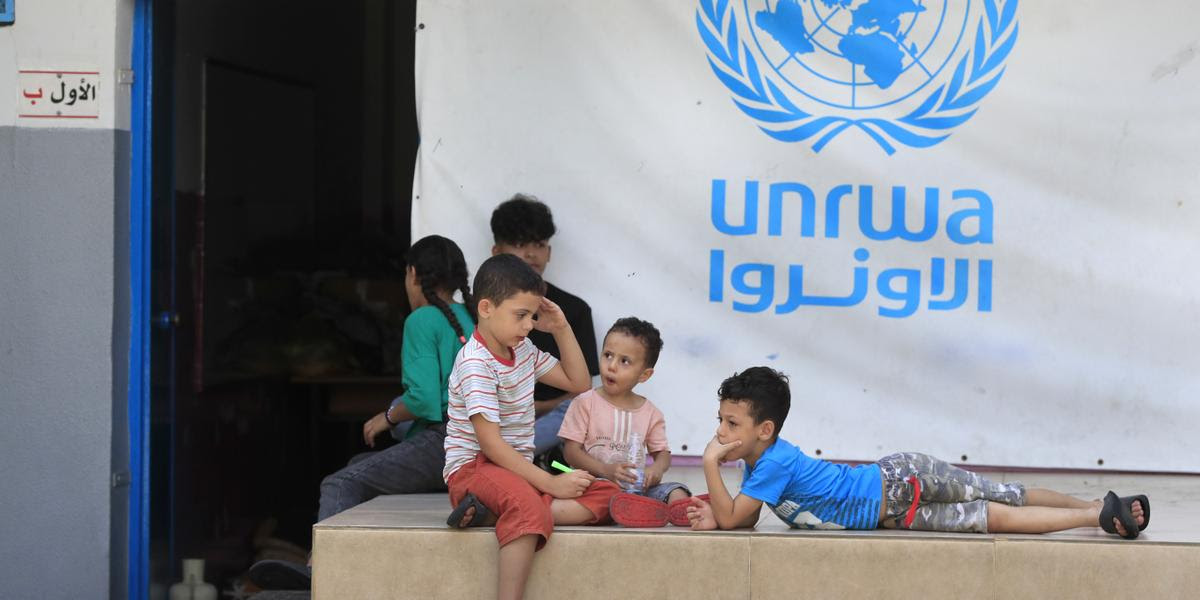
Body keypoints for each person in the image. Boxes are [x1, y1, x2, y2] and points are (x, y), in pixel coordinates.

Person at [685, 367, 1151, 540]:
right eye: (720, 420)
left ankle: (1095, 506)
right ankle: (1100, 515)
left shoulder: (775, 461)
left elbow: (731, 520)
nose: (721, 432)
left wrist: (708, 464)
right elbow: (741, 519)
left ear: (765, 430)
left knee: (1007, 495)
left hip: (902, 479)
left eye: (731, 424)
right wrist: (715, 512)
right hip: (897, 516)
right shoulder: (758, 463)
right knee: (998, 519)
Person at [248, 235, 474, 591]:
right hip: (473, 446)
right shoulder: (471, 316)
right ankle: (353, 567)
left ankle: (320, 572)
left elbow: (423, 400)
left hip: (442, 444)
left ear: (413, 275)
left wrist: (385, 418)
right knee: (358, 469)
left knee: (340, 483)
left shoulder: (422, 320)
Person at [443, 253, 620, 600]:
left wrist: (562, 328)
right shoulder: (476, 364)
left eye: (532, 316)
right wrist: (551, 482)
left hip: (514, 471)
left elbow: (579, 382)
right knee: (526, 507)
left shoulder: (521, 348)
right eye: (520, 315)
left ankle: (492, 511)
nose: (528, 325)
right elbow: (491, 447)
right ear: (486, 308)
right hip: (474, 470)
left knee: (606, 494)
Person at [489, 194, 600, 457]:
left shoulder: (572, 310)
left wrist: (538, 407)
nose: (530, 253)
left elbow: (583, 392)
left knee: (581, 409)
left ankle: (508, 458)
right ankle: (510, 457)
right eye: (519, 243)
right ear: (497, 252)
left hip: (551, 424)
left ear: (549, 252)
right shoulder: (481, 309)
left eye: (539, 244)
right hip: (494, 420)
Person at [556, 317, 693, 527]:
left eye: (624, 361)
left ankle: (674, 512)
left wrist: (655, 470)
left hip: (635, 489)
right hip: (594, 484)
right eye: (608, 355)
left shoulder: (651, 412)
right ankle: (631, 511)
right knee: (603, 494)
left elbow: (662, 454)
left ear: (644, 375)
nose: (611, 366)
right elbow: (571, 453)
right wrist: (605, 470)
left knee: (676, 490)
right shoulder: (584, 403)